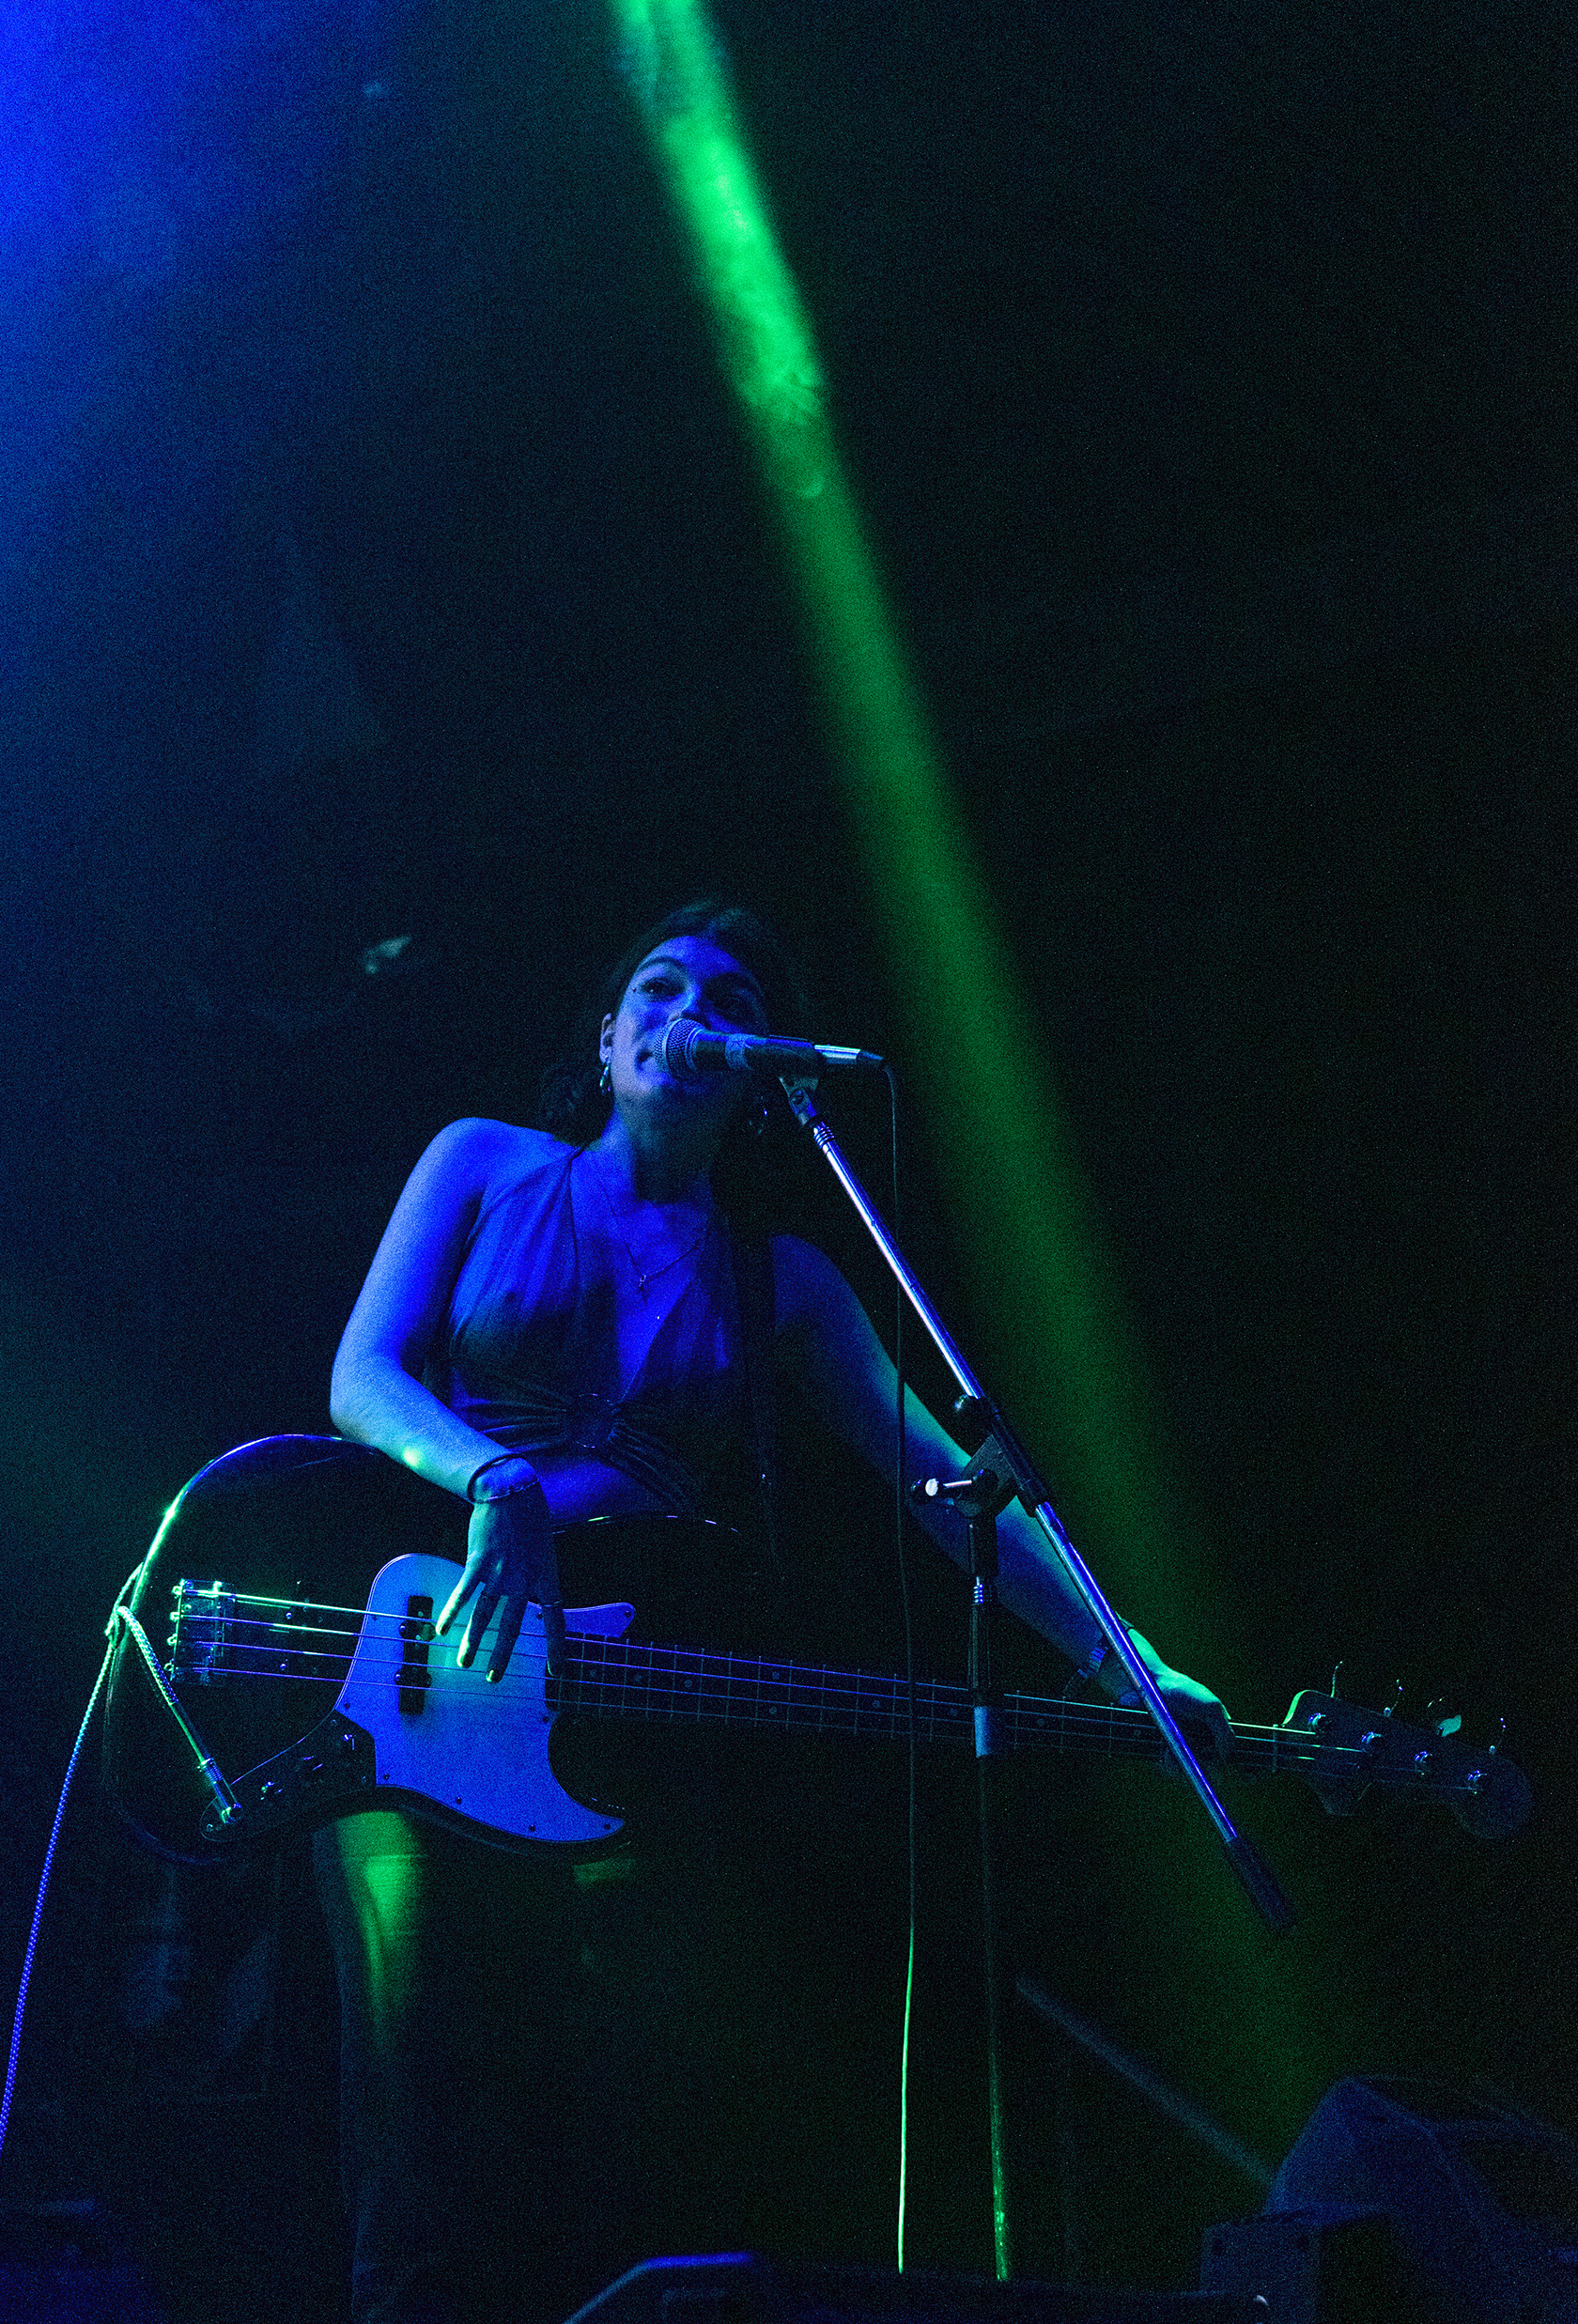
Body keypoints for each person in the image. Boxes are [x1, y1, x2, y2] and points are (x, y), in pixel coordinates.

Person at [319, 900, 1230, 2324]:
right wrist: (493, 1476)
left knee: (619, 2135)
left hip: (633, 1732)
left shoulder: (781, 1277)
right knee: (426, 2117)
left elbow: (948, 1486)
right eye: (659, 987)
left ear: (759, 1071)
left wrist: (1135, 1662)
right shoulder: (483, 1163)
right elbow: (360, 1376)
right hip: (438, 1677)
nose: (690, 1013)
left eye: (729, 1001)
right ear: (608, 1038)